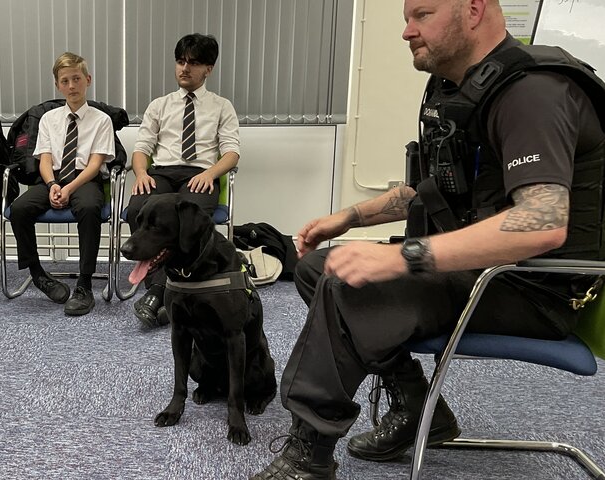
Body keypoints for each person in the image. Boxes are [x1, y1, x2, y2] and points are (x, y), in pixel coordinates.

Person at [251, 0, 605, 478]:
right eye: (405, 19)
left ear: (474, 10)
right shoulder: (468, 89)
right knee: (324, 267)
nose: (407, 32)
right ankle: (418, 406)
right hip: (485, 273)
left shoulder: (534, 93)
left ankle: (308, 459)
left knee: (355, 286)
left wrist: (404, 258)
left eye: (422, 15)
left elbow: (543, 221)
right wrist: (351, 217)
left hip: (535, 290)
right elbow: (438, 188)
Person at [127, 33, 240, 327]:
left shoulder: (221, 106)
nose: (184, 69)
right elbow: (142, 148)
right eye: (180, 61)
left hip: (199, 174)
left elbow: (231, 153)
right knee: (137, 210)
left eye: (192, 63)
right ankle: (160, 286)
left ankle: (161, 291)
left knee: (192, 220)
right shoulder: (160, 105)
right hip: (161, 173)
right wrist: (141, 173)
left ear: (209, 69)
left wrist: (211, 173)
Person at [9, 52, 115, 316]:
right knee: (19, 209)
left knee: (90, 208)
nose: (71, 86)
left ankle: (84, 284)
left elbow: (95, 163)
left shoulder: (102, 120)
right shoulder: (48, 119)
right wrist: (53, 184)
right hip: (54, 178)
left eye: (76, 79)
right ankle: (38, 274)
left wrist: (69, 188)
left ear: (88, 80)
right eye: (65, 81)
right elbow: (45, 160)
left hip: (85, 178)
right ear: (58, 85)